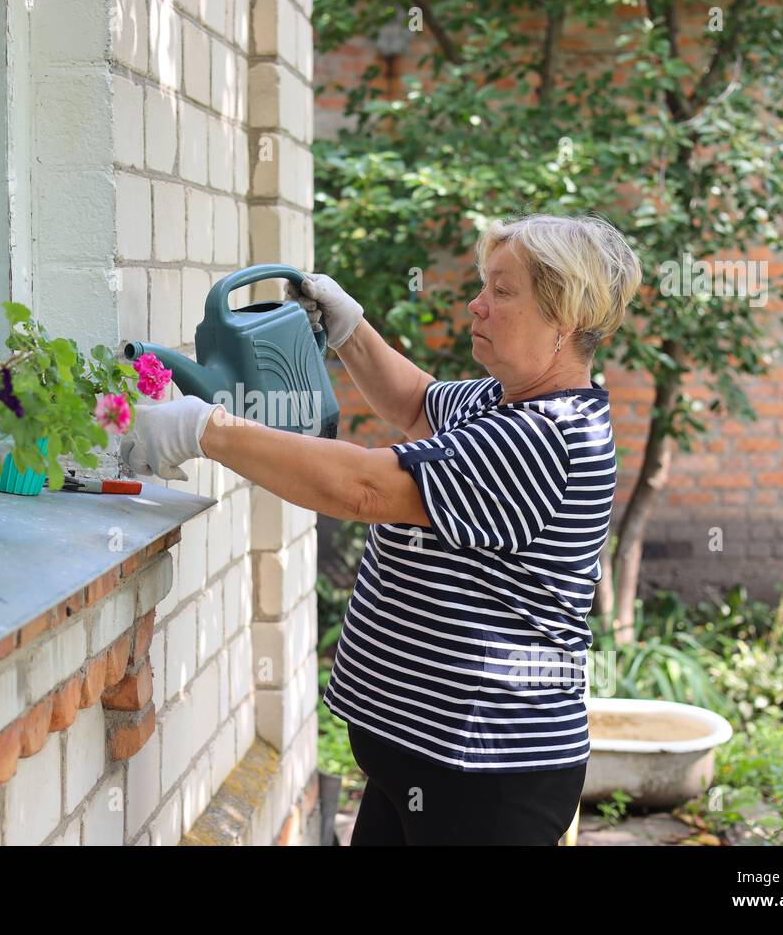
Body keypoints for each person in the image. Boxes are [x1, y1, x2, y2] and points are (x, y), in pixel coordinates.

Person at [120, 214, 642, 845]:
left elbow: (365, 489)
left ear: (565, 317)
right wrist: (349, 327)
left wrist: (204, 430)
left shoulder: (545, 439)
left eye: (502, 292)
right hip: (422, 759)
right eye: (484, 286)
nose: (477, 305)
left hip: (485, 777)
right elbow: (417, 403)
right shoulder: (499, 401)